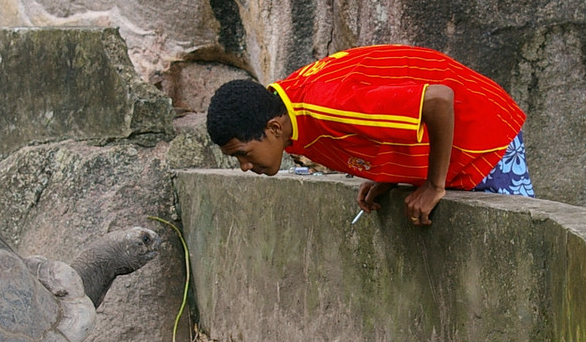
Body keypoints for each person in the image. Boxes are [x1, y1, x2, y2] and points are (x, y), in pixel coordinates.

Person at [205, 44, 535, 226]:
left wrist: (434, 186)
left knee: (526, 242)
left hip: (484, 134)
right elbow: (377, 123)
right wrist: (386, 175)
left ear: (273, 129)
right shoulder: (285, 107)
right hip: (459, 139)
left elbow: (438, 99)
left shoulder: (326, 105)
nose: (244, 166)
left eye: (243, 153)